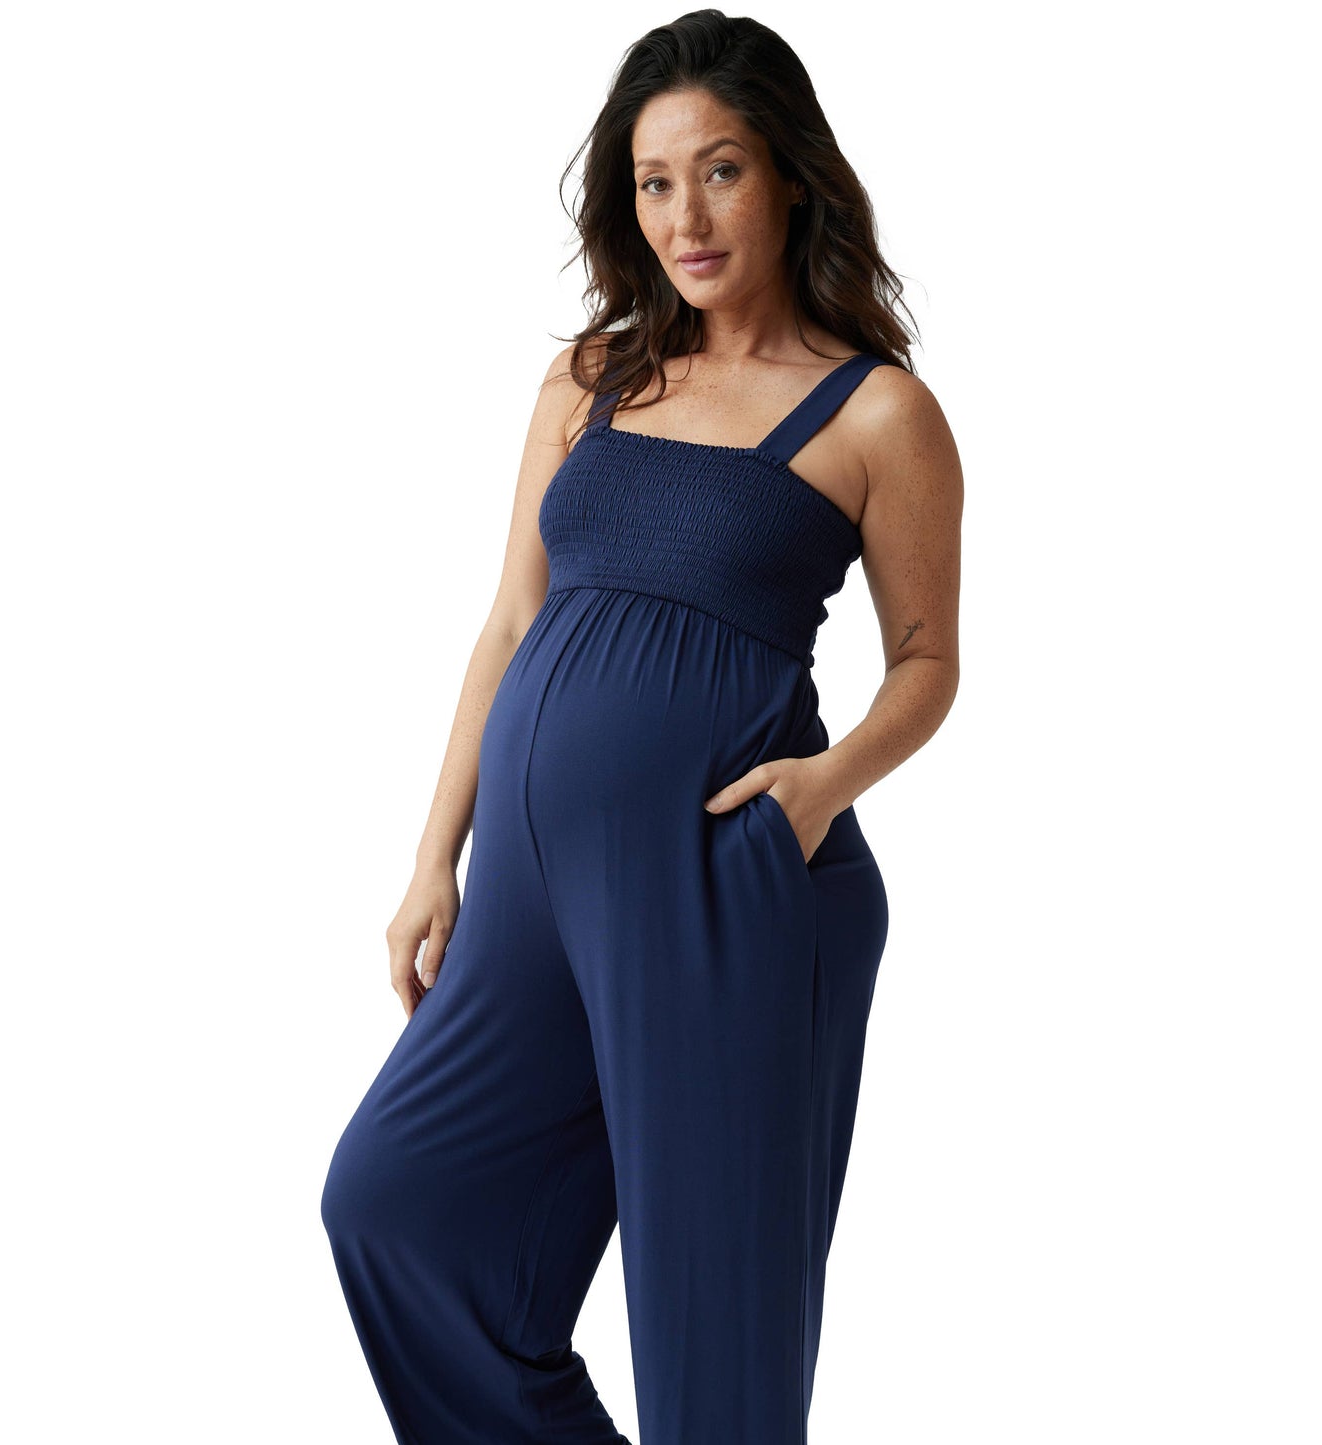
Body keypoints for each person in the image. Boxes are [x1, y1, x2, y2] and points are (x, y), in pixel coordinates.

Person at [321, 10, 962, 1442]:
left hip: (723, 882)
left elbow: (926, 663)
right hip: (531, 891)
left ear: (788, 175)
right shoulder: (588, 375)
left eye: (720, 171)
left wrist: (816, 792)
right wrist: (433, 859)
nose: (686, 216)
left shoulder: (876, 414)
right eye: (654, 181)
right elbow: (510, 622)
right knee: (397, 1207)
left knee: (711, 1326)